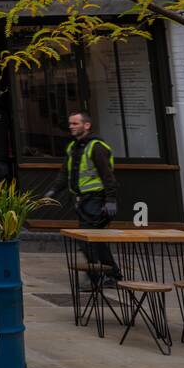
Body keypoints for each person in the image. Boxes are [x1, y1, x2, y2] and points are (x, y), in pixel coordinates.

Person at [46, 110, 120, 280]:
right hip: (82, 201)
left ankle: (96, 276)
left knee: (87, 240)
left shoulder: (97, 147)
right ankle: (113, 274)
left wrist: (110, 200)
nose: (71, 127)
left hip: (97, 199)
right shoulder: (74, 147)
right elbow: (66, 173)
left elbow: (108, 176)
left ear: (87, 125)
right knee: (96, 240)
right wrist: (53, 191)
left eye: (75, 123)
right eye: (70, 123)